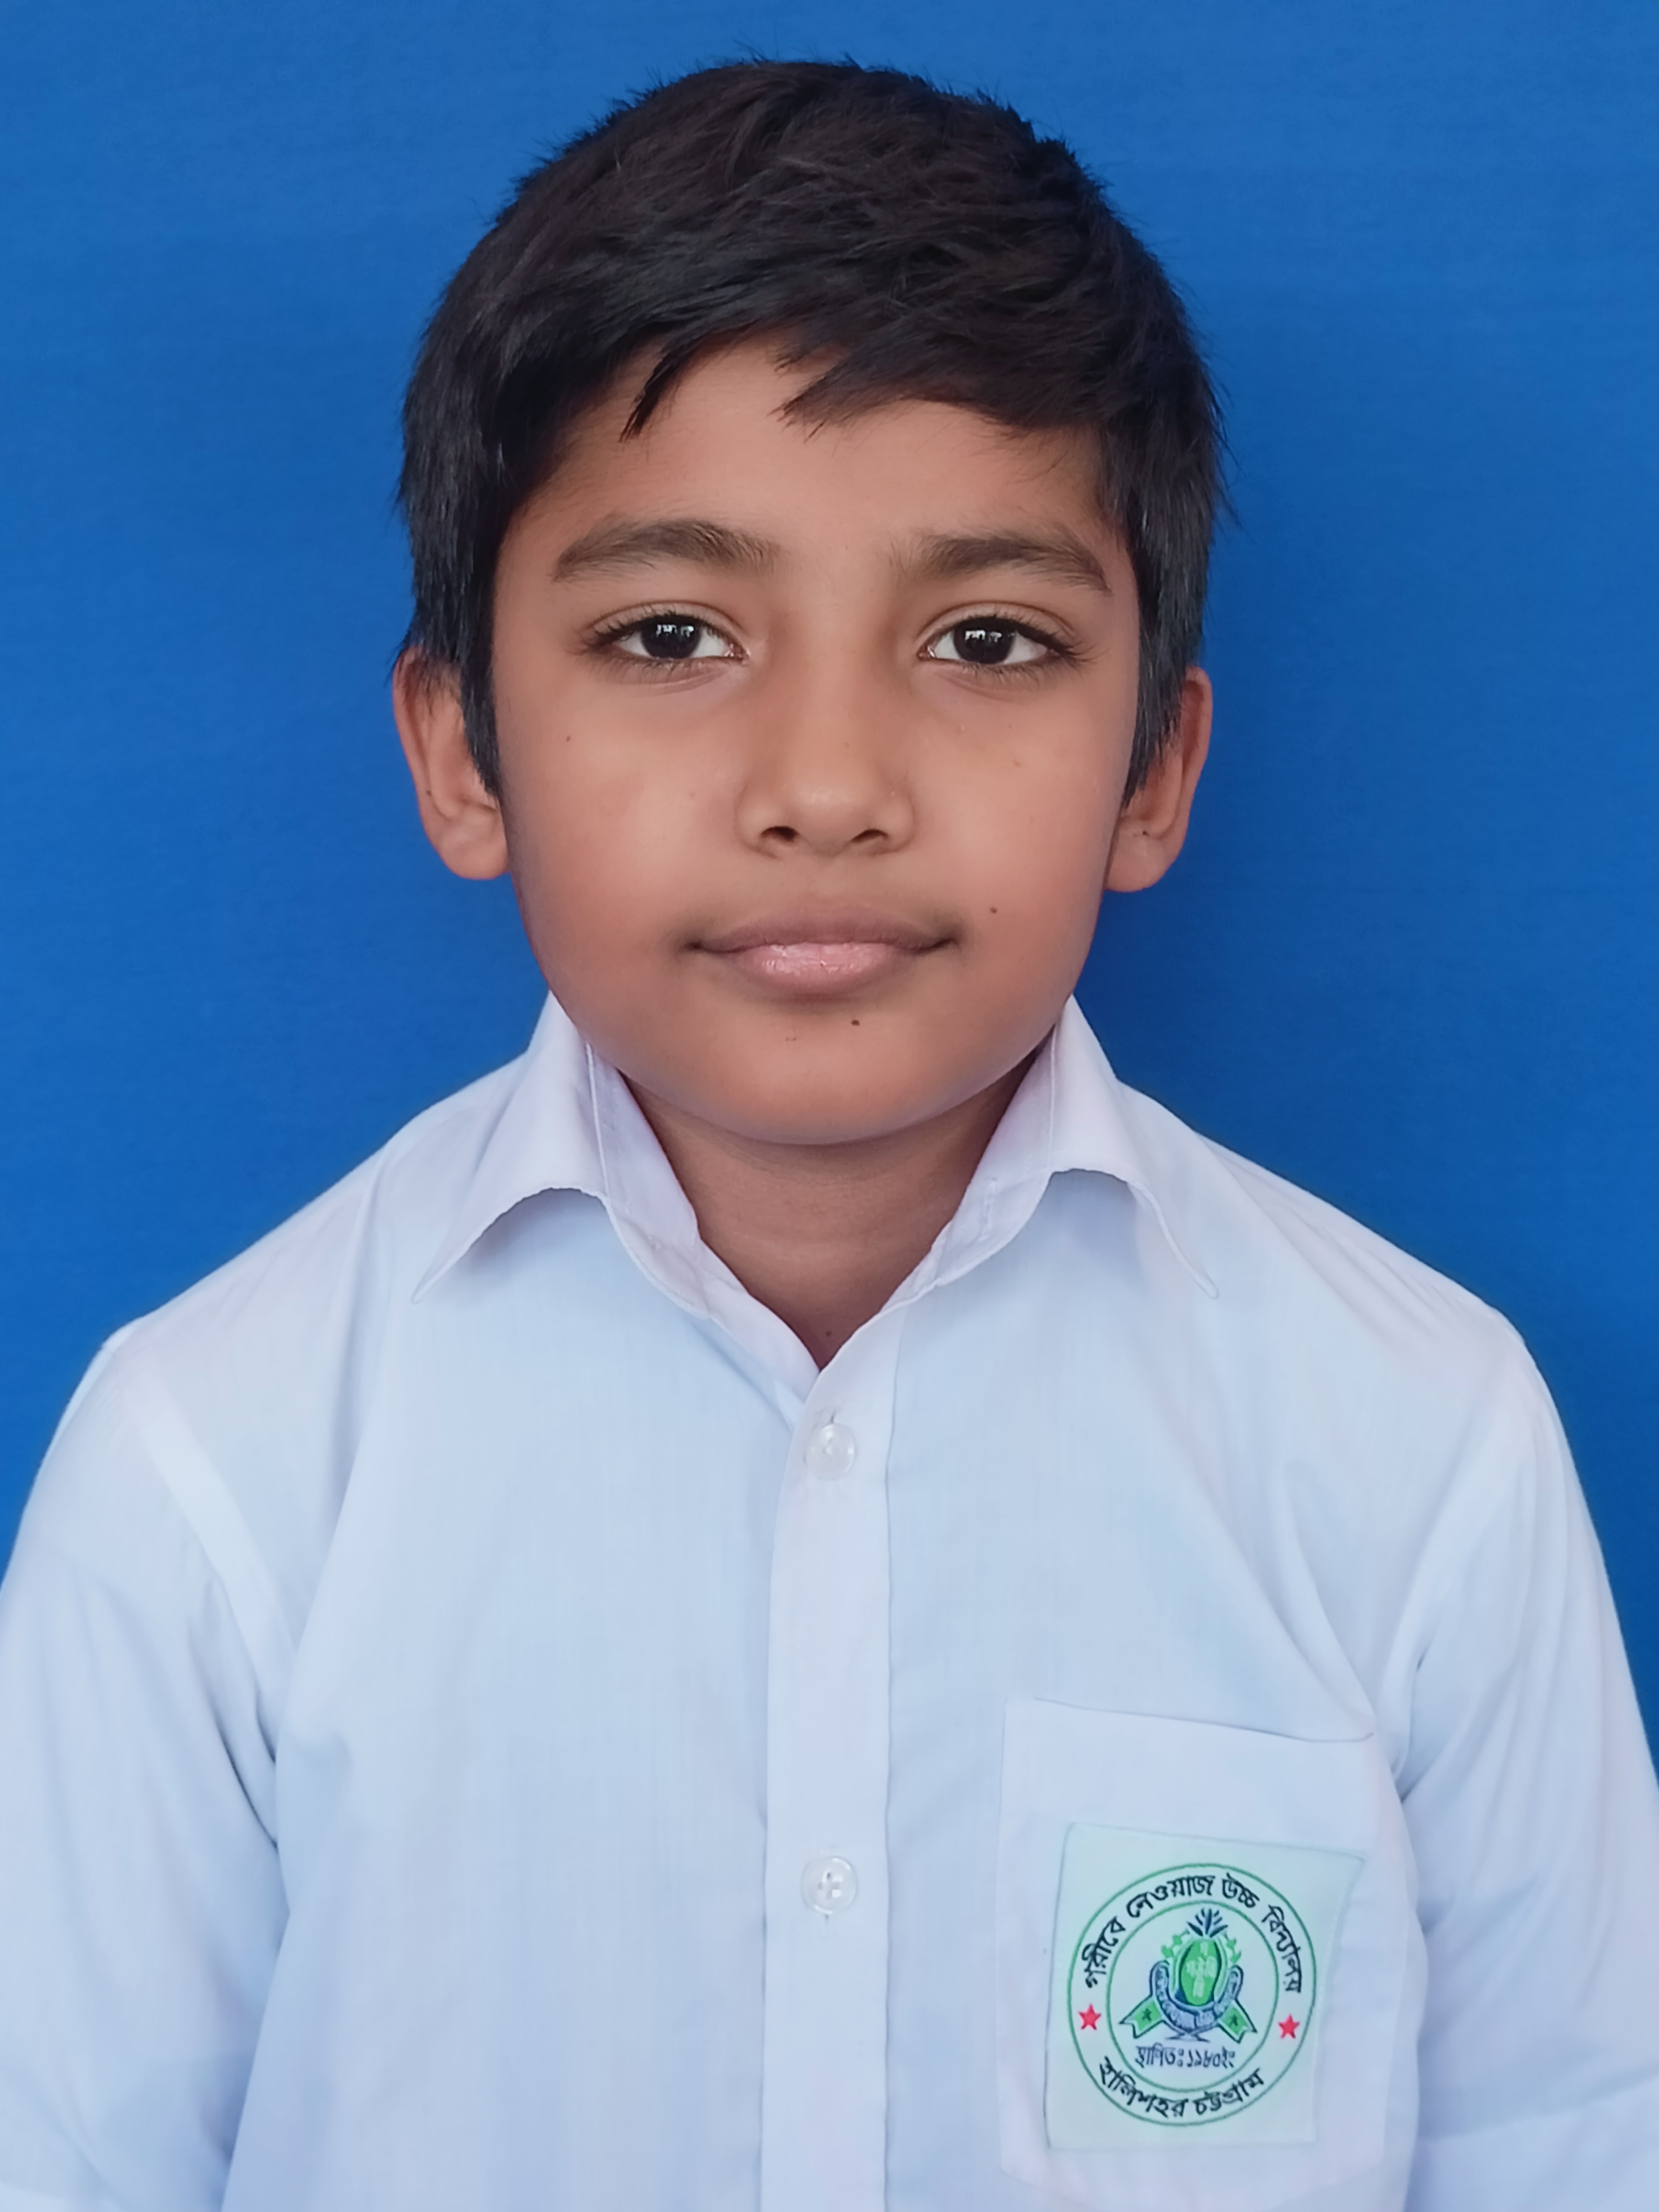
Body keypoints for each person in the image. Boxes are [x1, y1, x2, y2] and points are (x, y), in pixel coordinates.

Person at [0, 58, 1653, 2212]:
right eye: (670, 634)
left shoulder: (1415, 1446)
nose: (827, 785)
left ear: (1154, 772)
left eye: (987, 638)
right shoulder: (219, 1474)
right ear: (462, 749)